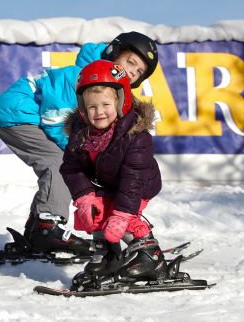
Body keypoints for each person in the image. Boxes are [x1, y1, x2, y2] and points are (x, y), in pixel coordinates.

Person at [0, 31, 159, 256]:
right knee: (58, 162)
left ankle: (35, 233)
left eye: (138, 72)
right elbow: (56, 121)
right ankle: (47, 227)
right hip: (16, 113)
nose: (131, 72)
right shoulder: (80, 78)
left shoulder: (101, 88)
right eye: (130, 62)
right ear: (112, 53)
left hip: (23, 115)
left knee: (59, 163)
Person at [61, 59, 166, 280]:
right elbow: (71, 168)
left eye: (106, 105)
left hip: (140, 185)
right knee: (95, 211)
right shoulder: (81, 133)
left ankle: (151, 257)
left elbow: (133, 180)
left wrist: (122, 214)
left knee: (120, 220)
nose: (99, 112)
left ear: (121, 102)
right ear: (82, 108)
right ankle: (108, 254)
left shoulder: (135, 136)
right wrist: (84, 196)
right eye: (92, 107)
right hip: (111, 183)